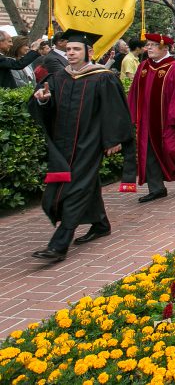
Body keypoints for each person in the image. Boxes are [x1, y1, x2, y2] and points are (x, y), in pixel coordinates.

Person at [27, 29, 134, 262]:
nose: (72, 53)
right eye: (68, 49)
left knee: (75, 187)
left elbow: (115, 110)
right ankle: (100, 223)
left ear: (89, 51)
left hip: (89, 142)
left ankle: (59, 243)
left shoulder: (102, 77)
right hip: (62, 143)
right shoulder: (59, 77)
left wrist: (113, 139)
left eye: (76, 49)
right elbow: (47, 106)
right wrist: (44, 100)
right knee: (85, 184)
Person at [127, 33, 175, 202]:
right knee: (148, 152)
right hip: (146, 121)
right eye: (147, 45)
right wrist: (130, 117)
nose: (148, 47)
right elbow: (134, 93)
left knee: (171, 147)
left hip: (169, 120)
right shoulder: (144, 67)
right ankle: (157, 188)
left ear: (164, 47)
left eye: (152, 45)